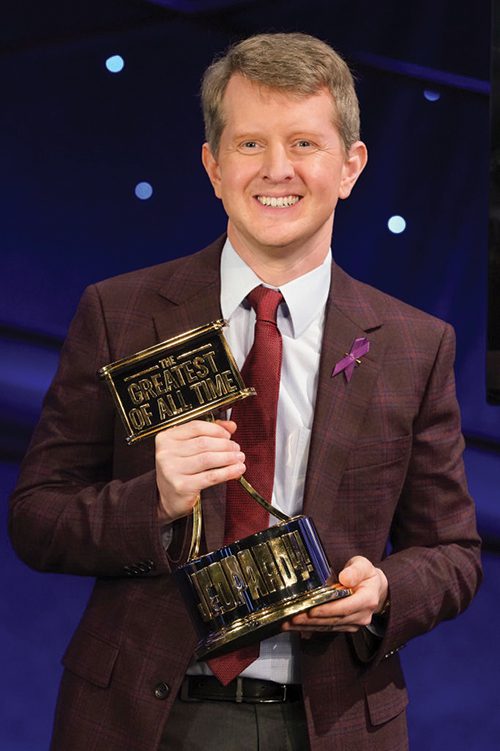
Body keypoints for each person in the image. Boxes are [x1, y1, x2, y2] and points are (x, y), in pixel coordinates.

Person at [9, 32, 482, 751]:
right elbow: (37, 519)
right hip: (140, 717)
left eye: (304, 143)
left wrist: (383, 590)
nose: (277, 170)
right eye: (251, 144)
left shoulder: (417, 346)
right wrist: (156, 500)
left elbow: (451, 551)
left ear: (350, 166)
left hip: (328, 721)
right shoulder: (121, 312)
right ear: (214, 166)